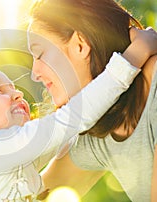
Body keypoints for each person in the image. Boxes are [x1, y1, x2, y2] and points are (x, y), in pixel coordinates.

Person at [0, 27, 157, 201]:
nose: (17, 95)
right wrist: (133, 56)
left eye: (13, 88)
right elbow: (73, 119)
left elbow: (67, 136)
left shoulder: (0, 164)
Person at [28, 0, 157, 201]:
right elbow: (34, 198)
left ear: (80, 45)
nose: (34, 74)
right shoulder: (100, 133)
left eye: (40, 54)